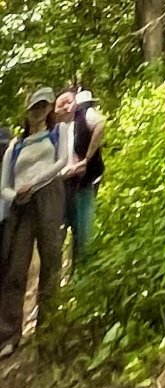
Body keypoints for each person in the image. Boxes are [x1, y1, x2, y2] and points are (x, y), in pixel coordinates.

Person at [0, 88, 70, 352]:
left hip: (49, 194)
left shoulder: (58, 132)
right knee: (15, 266)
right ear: (27, 112)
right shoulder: (14, 147)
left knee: (51, 257)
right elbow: (4, 186)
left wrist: (34, 183)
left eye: (42, 106)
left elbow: (62, 161)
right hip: (21, 203)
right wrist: (17, 193)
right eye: (33, 107)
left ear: (50, 107)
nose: (38, 111)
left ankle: (49, 327)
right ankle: (8, 335)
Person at [53, 88, 103, 268]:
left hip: (82, 183)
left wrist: (86, 159)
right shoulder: (54, 128)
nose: (66, 107)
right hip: (59, 186)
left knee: (82, 231)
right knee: (58, 232)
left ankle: (83, 273)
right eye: (61, 105)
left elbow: (100, 126)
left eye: (69, 102)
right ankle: (56, 276)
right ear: (55, 110)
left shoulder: (85, 116)